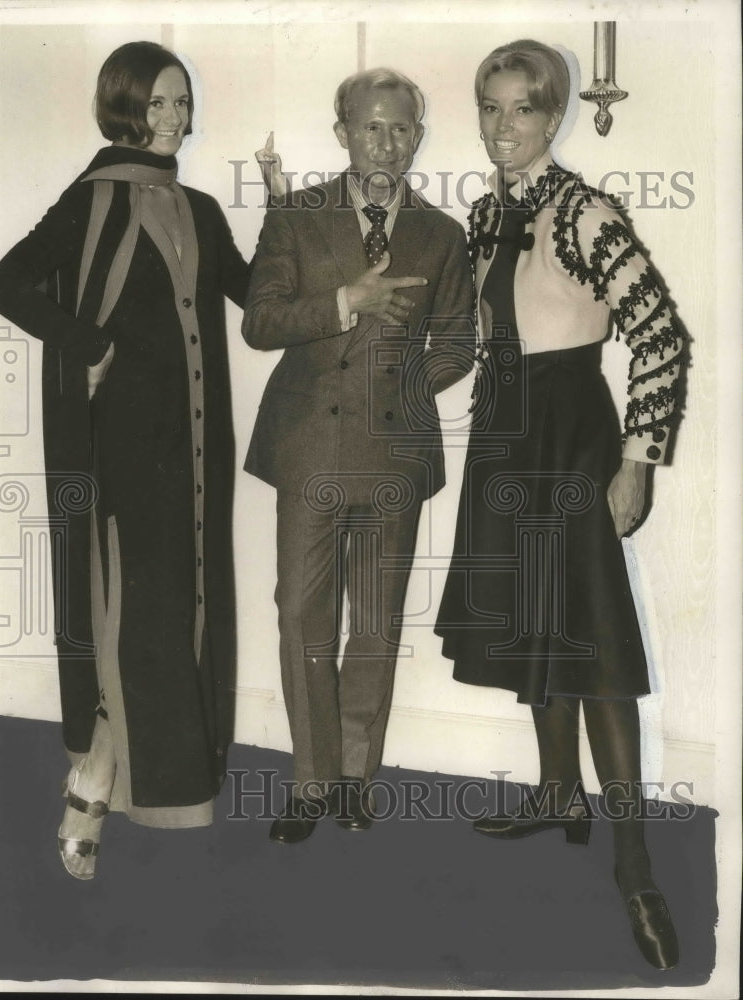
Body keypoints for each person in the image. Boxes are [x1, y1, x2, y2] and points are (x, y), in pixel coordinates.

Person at [434, 40, 684, 969]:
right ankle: (555, 794)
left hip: (572, 434)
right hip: (504, 430)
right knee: (536, 623)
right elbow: (478, 333)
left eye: (523, 111)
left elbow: (660, 335)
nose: (506, 127)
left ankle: (635, 868)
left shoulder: (586, 211)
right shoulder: (485, 212)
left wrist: (637, 461)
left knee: (593, 644)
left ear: (554, 116)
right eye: (492, 109)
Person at [0, 41, 251, 878]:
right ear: (124, 108)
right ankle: (94, 772)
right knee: (131, 615)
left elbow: (253, 295)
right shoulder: (91, 200)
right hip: (127, 448)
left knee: (179, 616)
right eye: (159, 104)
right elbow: (6, 283)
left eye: (181, 103)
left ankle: (133, 778)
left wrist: (293, 216)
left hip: (199, 447)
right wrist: (87, 341)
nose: (173, 119)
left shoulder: (201, 208)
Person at [242, 68, 474, 844]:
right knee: (304, 616)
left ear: (418, 136)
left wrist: (404, 383)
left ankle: (353, 778)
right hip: (310, 445)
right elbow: (262, 322)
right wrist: (348, 303)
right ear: (341, 132)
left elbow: (459, 342)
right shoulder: (296, 217)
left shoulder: (442, 234)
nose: (387, 143)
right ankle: (308, 782)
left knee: (374, 623)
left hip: (393, 450)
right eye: (371, 127)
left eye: (402, 128)